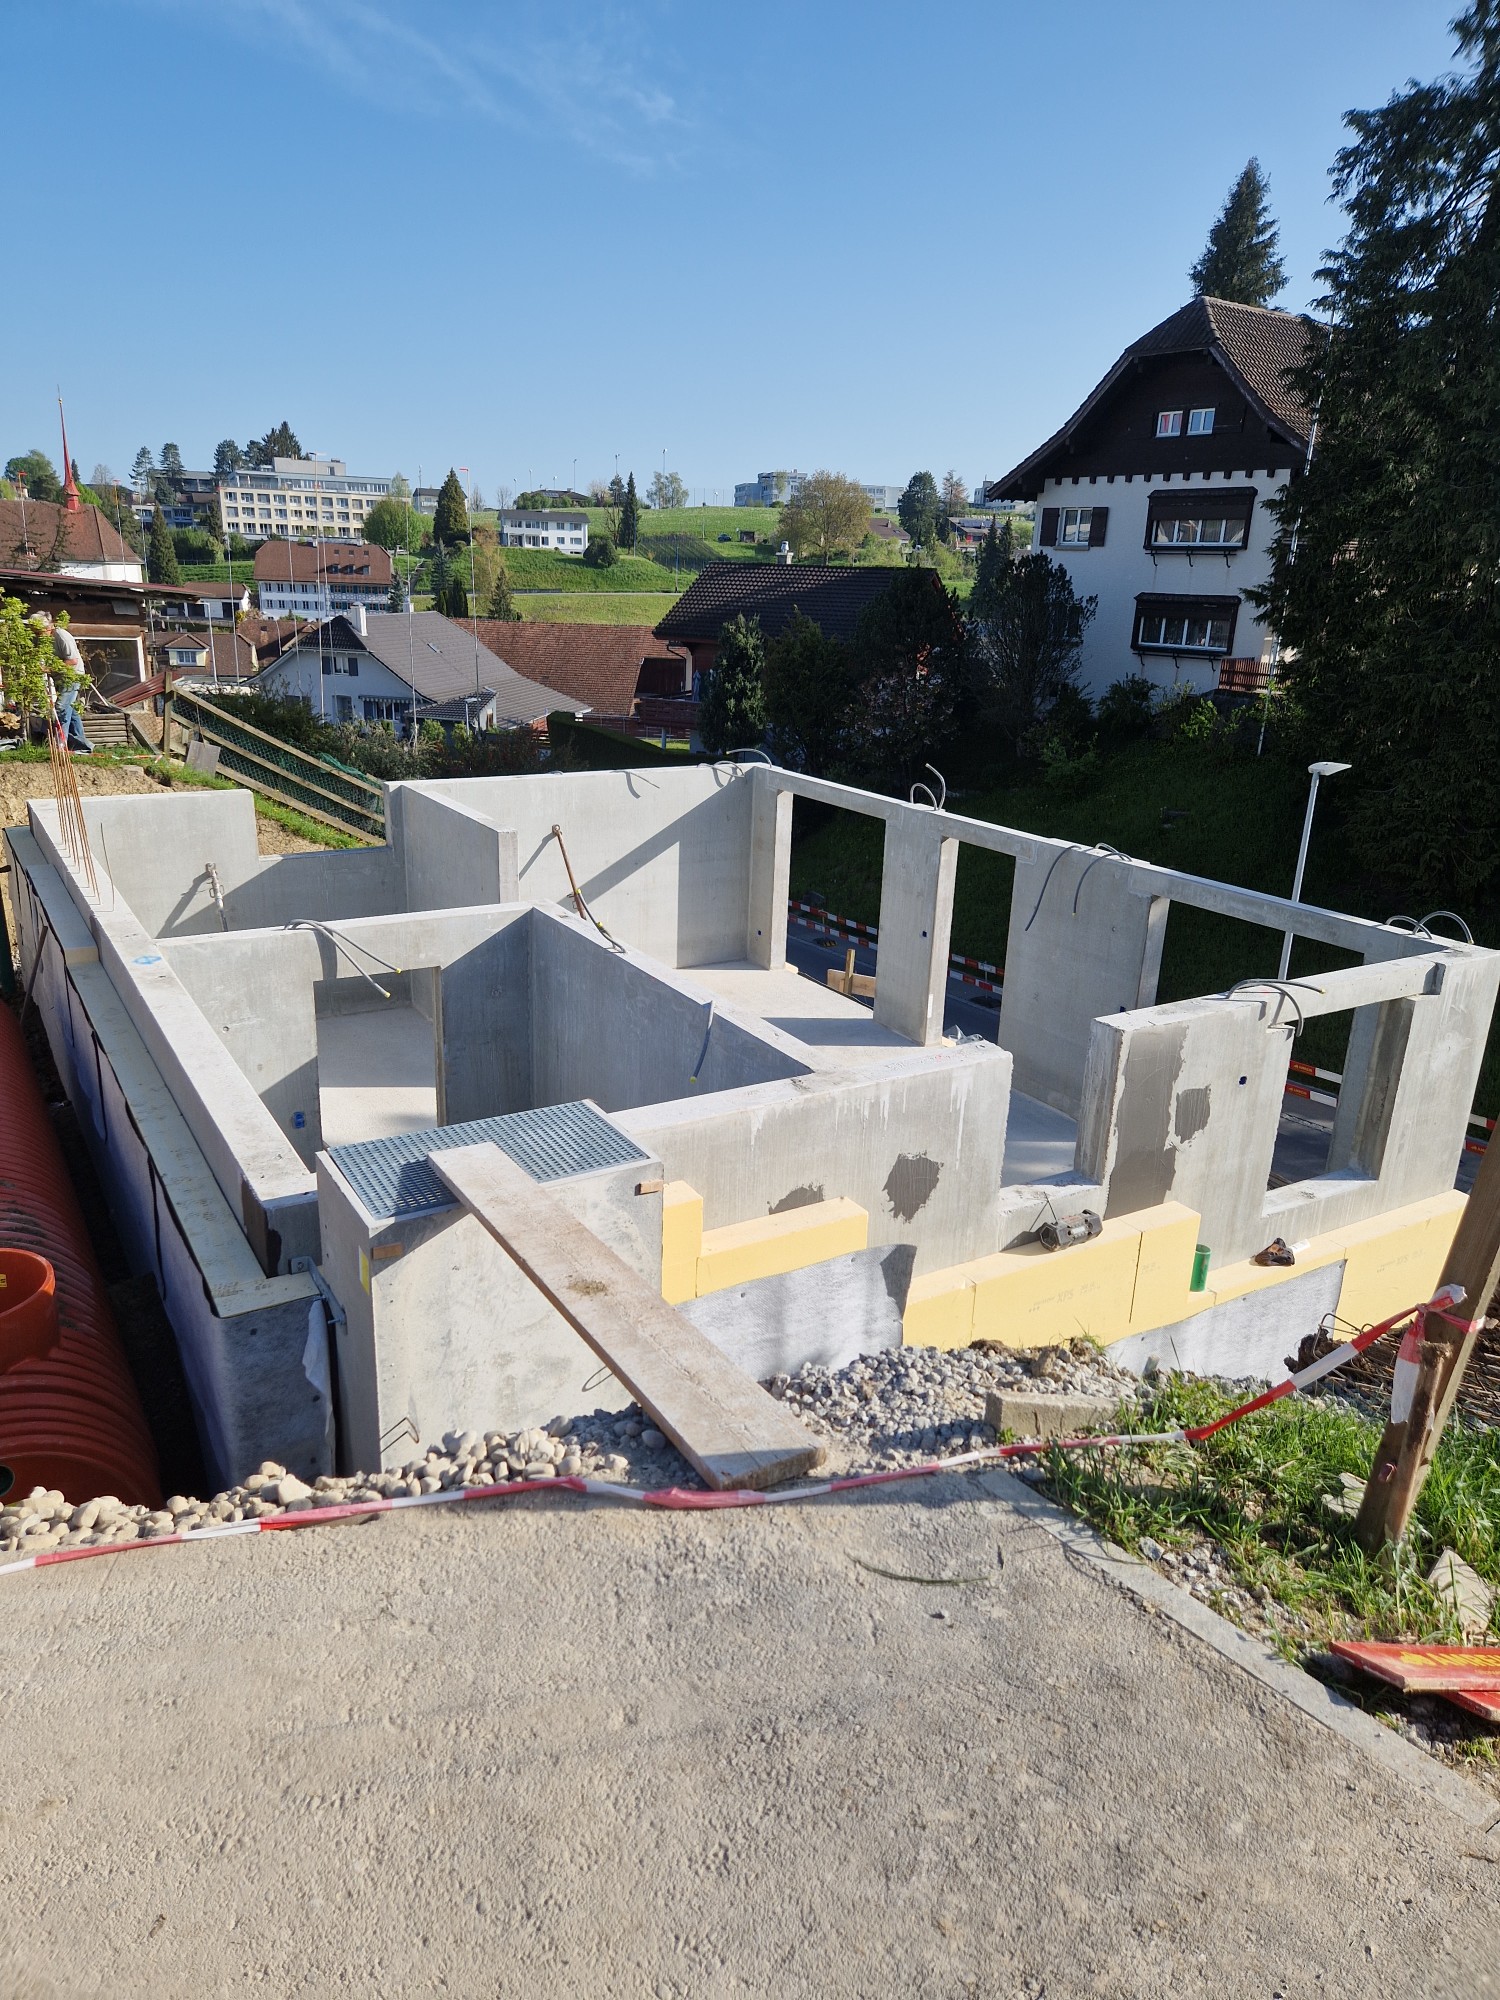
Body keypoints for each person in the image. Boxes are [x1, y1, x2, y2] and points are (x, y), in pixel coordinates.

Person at [32, 612, 92, 751]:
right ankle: (81, 746)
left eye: (38, 633)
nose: (37, 636)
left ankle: (60, 746)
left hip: (72, 676)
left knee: (61, 708)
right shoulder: (43, 639)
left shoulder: (62, 636)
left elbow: (72, 661)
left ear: (48, 628)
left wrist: (48, 668)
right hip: (58, 677)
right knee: (72, 711)